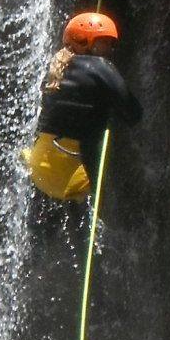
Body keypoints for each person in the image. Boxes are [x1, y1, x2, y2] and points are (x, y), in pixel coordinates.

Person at [22, 12, 141, 200]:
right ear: (86, 41)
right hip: (73, 174)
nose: (110, 48)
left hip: (37, 167)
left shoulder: (53, 68)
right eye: (105, 42)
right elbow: (134, 113)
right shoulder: (101, 66)